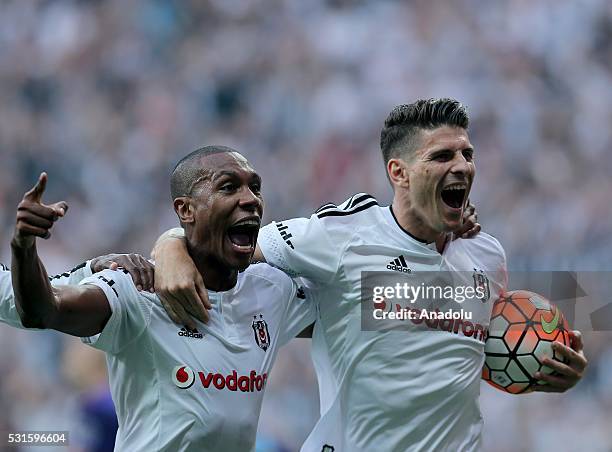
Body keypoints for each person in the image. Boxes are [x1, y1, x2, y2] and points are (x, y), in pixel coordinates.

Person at [153, 99, 588, 451]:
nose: (462, 165)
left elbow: (471, 347)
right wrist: (170, 243)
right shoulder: (341, 236)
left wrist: (550, 368)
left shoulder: (486, 254)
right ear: (398, 172)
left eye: (466, 154)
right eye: (441, 155)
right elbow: (223, 244)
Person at [10, 146, 316, 452]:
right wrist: (24, 246)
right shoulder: (138, 289)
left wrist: (171, 241)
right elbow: (43, 310)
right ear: (185, 210)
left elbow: (357, 311)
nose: (251, 199)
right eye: (228, 186)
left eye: (256, 187)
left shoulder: (272, 289)